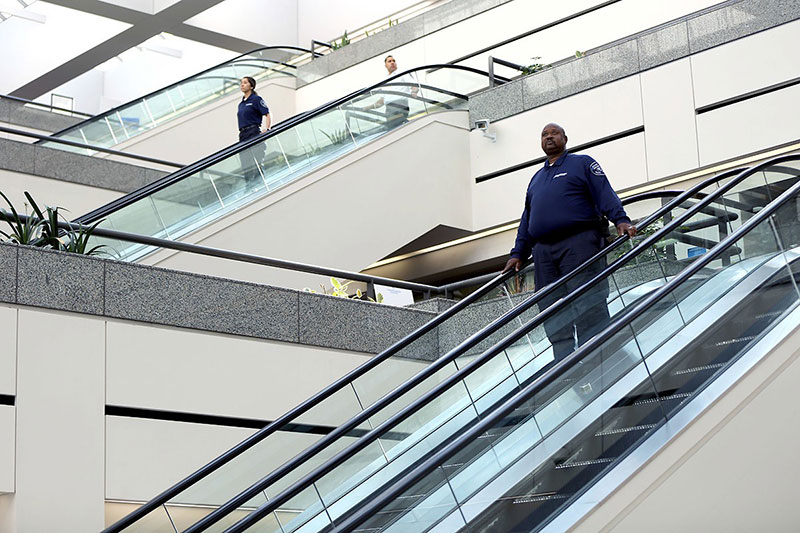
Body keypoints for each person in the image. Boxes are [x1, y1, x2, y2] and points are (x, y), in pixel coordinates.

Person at [504, 123, 636, 362]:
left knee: (588, 301)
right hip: (544, 253)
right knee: (551, 308)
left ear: (565, 139)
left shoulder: (582, 163)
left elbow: (604, 192)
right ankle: (564, 364)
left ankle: (596, 359)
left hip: (579, 244)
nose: (549, 137)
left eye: (554, 133)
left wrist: (620, 220)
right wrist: (518, 253)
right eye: (544, 134)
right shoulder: (536, 179)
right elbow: (527, 218)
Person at [363, 55, 420, 130]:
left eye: (394, 61)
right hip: (389, 109)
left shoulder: (401, 74)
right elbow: (382, 101)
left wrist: (414, 92)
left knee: (394, 128)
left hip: (400, 106)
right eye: (389, 61)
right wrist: (368, 107)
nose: (392, 62)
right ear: (385, 65)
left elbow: (414, 85)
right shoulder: (385, 80)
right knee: (391, 128)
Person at [236, 76, 271, 189]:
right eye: (241, 83)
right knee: (245, 162)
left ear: (251, 86)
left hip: (253, 131)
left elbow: (267, 113)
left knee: (256, 160)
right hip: (243, 134)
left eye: (245, 83)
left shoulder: (256, 99)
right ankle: (249, 186)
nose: (242, 85)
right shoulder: (241, 104)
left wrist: (267, 128)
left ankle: (260, 184)